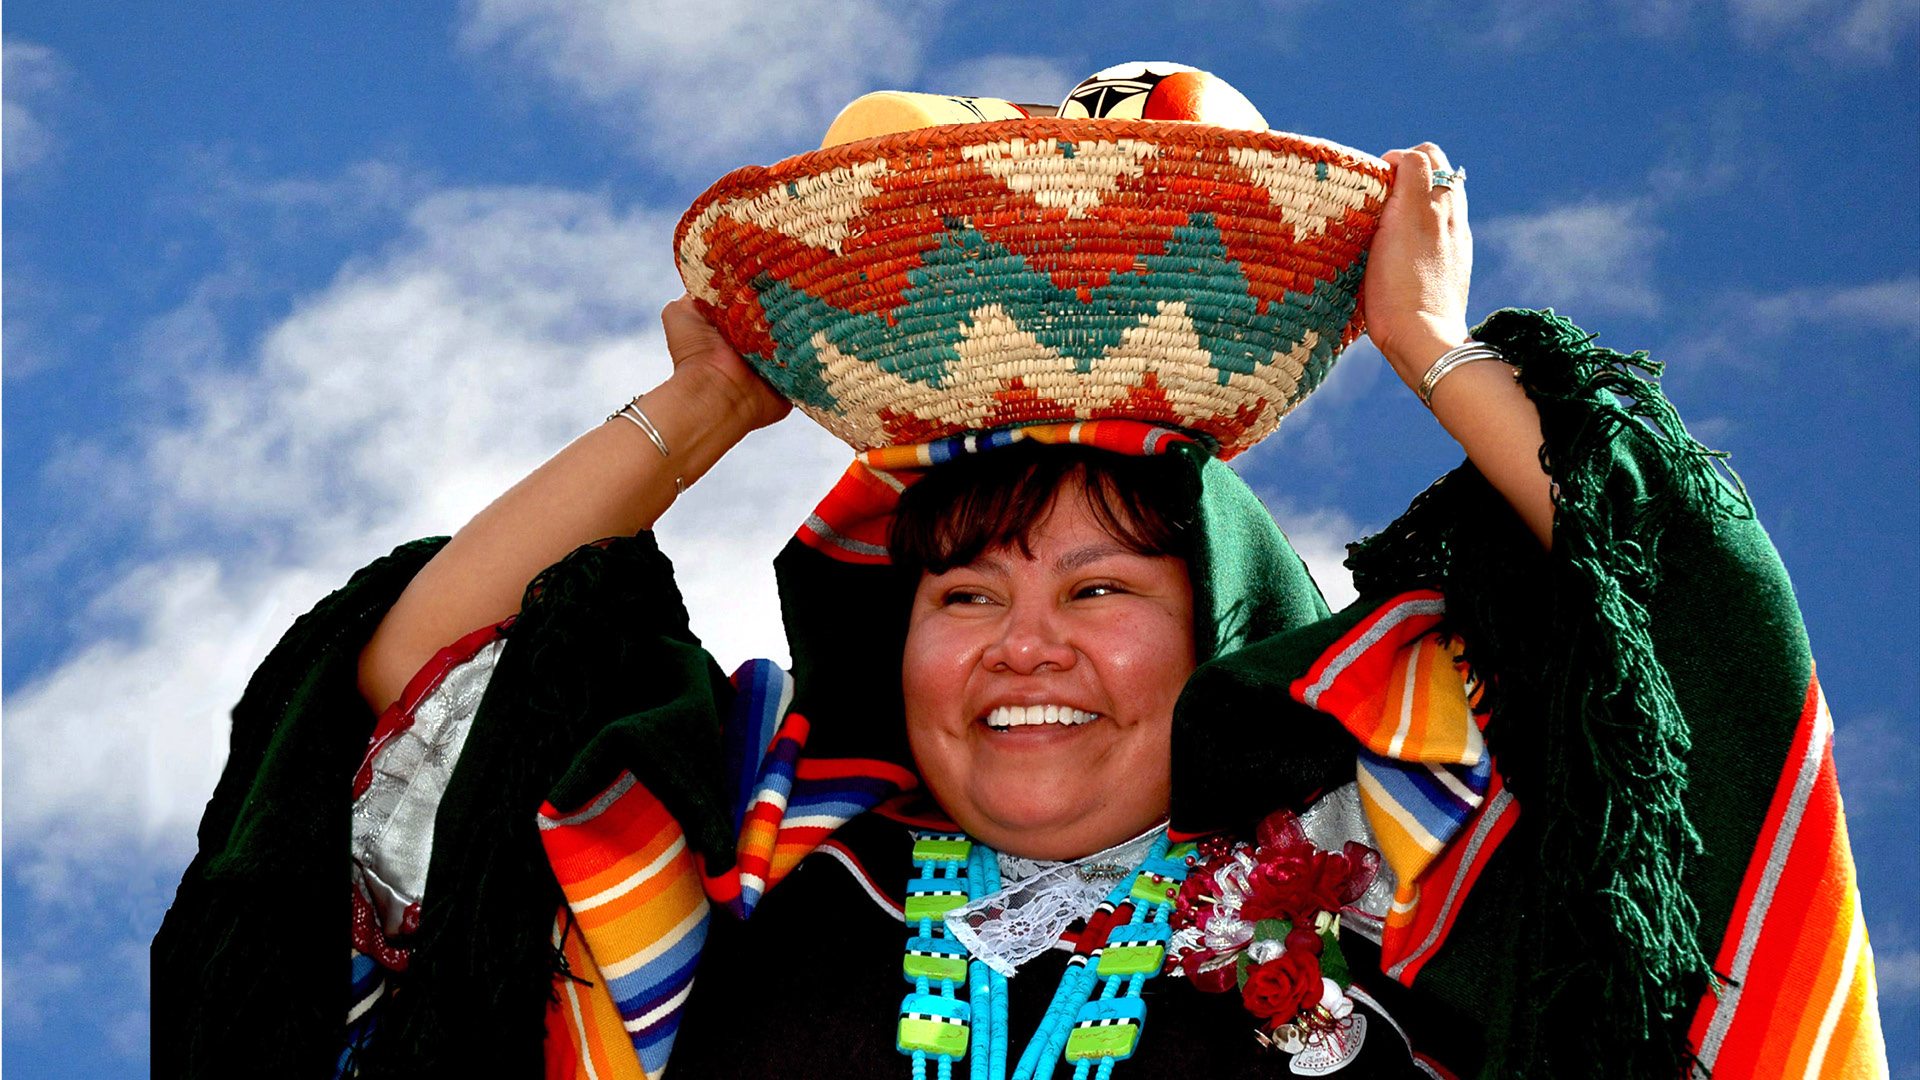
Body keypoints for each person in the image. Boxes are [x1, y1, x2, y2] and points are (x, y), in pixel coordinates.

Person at [154, 92, 1888, 1080]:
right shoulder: (762, 859)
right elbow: (402, 702)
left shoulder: (1384, 852)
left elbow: (1674, 646)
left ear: (1214, 630)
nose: (1025, 645)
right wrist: (693, 415)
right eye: (964, 595)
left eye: (1103, 586)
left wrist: (1424, 345)